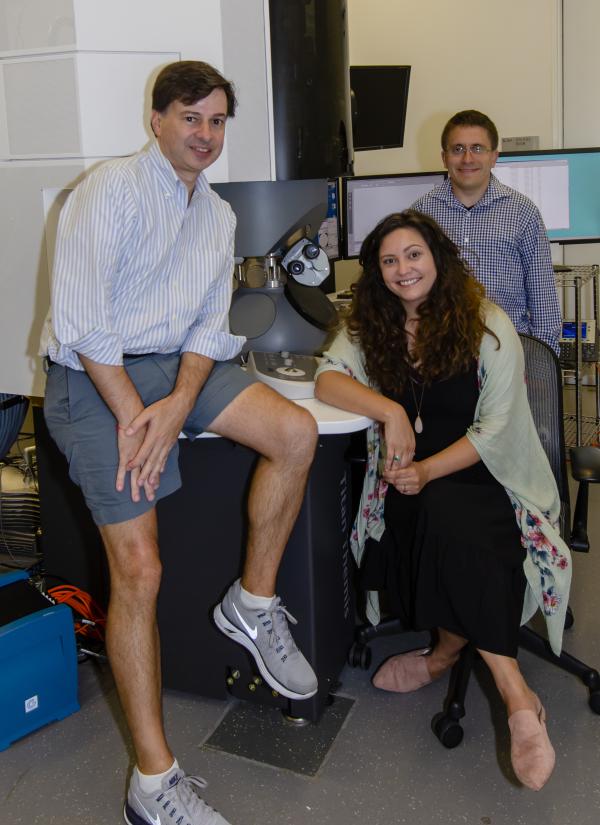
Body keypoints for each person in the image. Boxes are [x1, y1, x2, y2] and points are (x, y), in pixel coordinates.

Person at [41, 60, 319, 825]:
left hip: (173, 366)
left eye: (218, 120)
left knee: (294, 432)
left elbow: (208, 325)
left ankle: (252, 603)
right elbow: (84, 324)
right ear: (156, 118)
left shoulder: (219, 216)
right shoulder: (110, 193)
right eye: (191, 117)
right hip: (93, 376)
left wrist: (181, 404)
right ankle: (153, 781)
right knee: (141, 569)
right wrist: (142, 417)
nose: (205, 134)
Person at [314, 210, 572, 791]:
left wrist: (427, 469)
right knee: (439, 516)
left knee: (450, 515)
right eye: (389, 260)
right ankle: (513, 693)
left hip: (490, 483)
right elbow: (328, 378)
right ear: (377, 273)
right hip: (411, 491)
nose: (403, 269)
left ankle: (466, 669)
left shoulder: (488, 324)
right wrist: (392, 410)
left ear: (438, 258)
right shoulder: (369, 327)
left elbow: (496, 432)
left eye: (413, 255)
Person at [411, 109, 561, 354]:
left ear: (494, 157)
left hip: (508, 352)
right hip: (439, 352)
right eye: (457, 149)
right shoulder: (421, 214)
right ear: (444, 157)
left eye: (477, 148)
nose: (467, 158)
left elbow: (544, 302)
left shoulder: (523, 213)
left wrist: (542, 367)